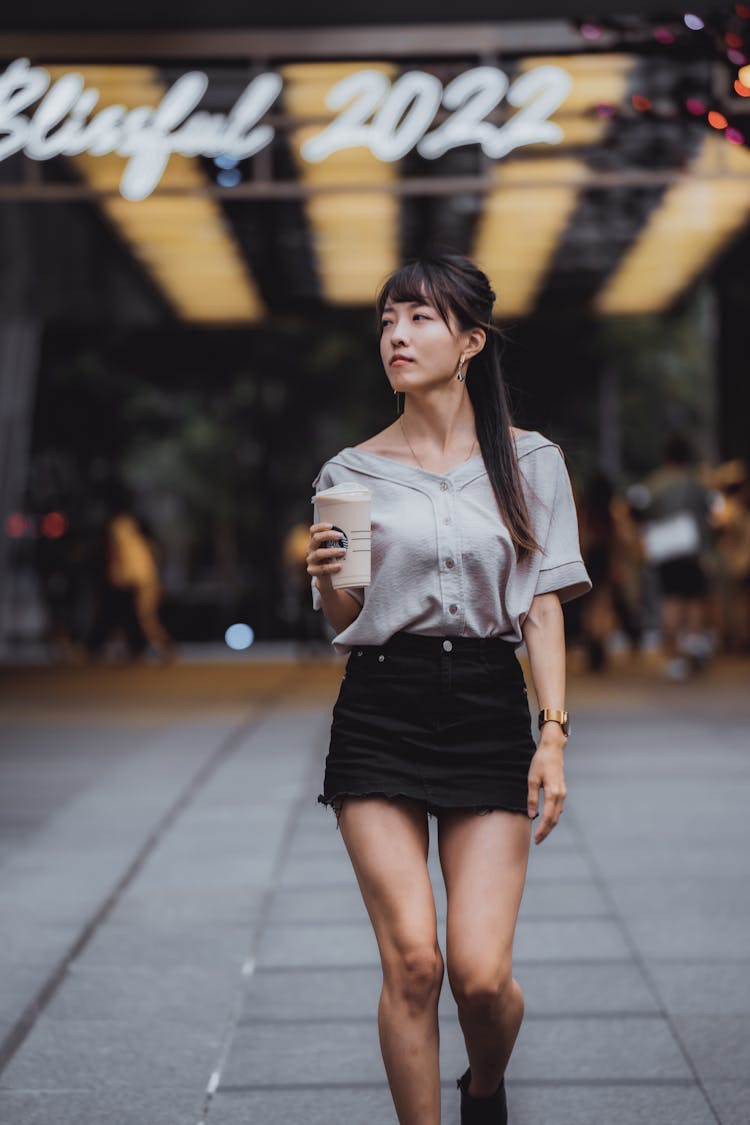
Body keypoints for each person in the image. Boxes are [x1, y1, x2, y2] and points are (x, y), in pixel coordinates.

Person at [306, 255, 591, 1125]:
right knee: (415, 964)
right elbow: (343, 614)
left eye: (421, 319)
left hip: (484, 707)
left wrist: (552, 732)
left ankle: (486, 1086)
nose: (397, 335)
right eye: (389, 319)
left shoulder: (531, 462)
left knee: (479, 975)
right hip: (381, 707)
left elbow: (541, 608)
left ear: (470, 341)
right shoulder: (348, 473)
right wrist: (325, 579)